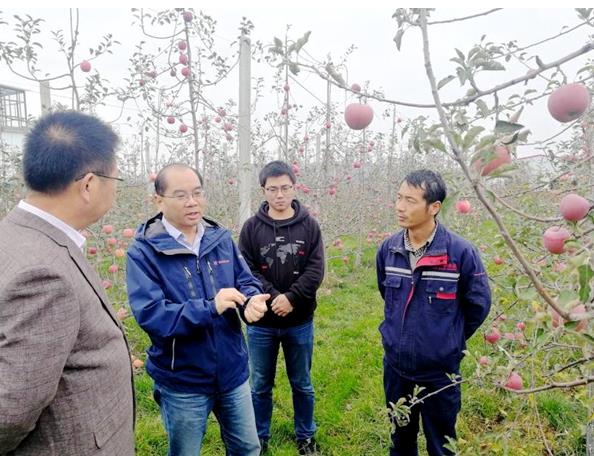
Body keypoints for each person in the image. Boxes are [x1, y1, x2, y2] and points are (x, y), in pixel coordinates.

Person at [0, 110, 135, 455]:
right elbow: (9, 411)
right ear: (89, 184)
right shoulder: (44, 275)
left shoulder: (16, 235)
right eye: (114, 182)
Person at [126, 163, 269, 456]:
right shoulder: (144, 252)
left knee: (248, 448)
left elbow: (244, 282)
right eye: (180, 195)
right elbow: (152, 315)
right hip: (183, 380)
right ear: (158, 200)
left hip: (233, 371)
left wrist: (251, 301)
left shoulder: (219, 239)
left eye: (197, 193)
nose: (192, 202)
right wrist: (210, 307)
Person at [376, 169, 491, 456]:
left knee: (441, 445)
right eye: (399, 198)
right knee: (400, 441)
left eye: (411, 201)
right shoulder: (388, 250)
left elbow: (478, 304)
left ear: (434, 207)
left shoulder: (461, 253)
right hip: (397, 367)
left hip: (440, 374)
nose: (400, 206)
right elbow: (386, 294)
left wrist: (447, 339)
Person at [239, 160, 325, 455]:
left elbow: (316, 270)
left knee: (302, 382)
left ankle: (306, 435)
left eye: (285, 188)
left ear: (294, 187)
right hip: (262, 322)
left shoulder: (309, 225)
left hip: (299, 320)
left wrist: (292, 298)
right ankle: (259, 436)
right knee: (260, 384)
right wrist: (275, 295)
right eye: (272, 189)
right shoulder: (251, 228)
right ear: (263, 190)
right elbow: (247, 270)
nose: (279, 194)